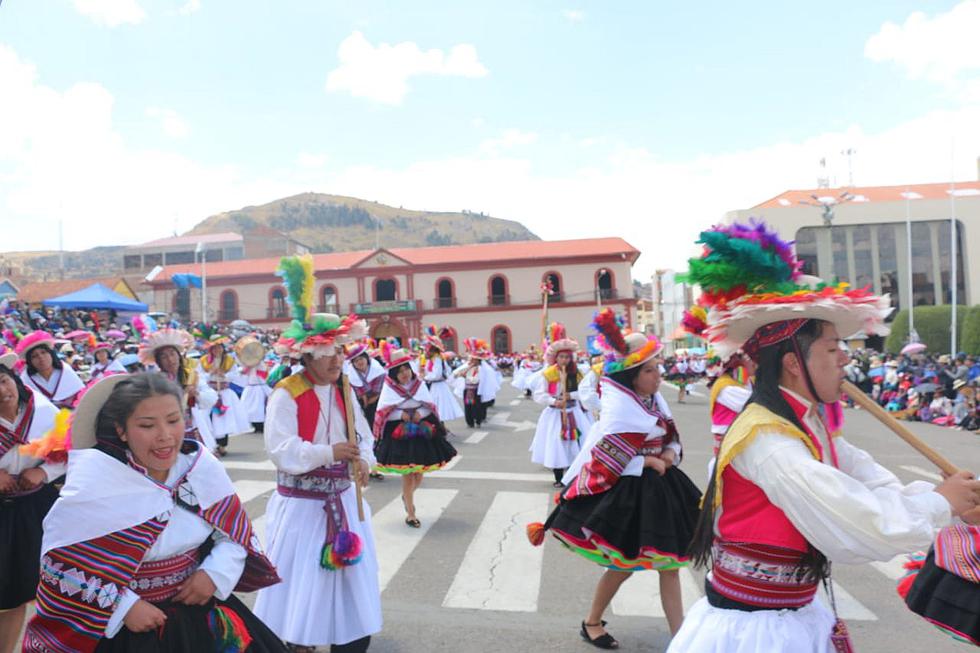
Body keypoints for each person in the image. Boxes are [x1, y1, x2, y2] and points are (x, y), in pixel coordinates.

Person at [667, 220, 980, 653]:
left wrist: (953, 502)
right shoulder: (766, 438)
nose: (845, 359)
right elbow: (850, 520)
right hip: (756, 633)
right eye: (832, 349)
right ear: (794, 363)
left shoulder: (804, 422)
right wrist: (940, 503)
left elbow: (870, 480)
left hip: (790, 613)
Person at [22, 373, 285, 652]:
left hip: (199, 610)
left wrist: (214, 574)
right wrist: (123, 607)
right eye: (147, 425)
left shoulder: (199, 468)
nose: (165, 435)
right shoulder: (95, 484)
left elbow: (235, 534)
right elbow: (60, 565)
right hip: (128, 628)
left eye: (174, 420)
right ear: (121, 430)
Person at [528, 310, 701, 648]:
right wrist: (647, 461)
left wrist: (668, 455)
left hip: (662, 489)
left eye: (656, 367)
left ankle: (680, 637)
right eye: (650, 370)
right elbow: (609, 459)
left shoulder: (653, 399)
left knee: (669, 566)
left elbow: (672, 436)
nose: (657, 375)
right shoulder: (620, 408)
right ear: (633, 375)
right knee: (623, 566)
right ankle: (591, 621)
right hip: (629, 494)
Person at [252, 256, 381, 653]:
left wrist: (363, 460)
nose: (337, 360)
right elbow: (281, 450)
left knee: (350, 583)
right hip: (303, 507)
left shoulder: (345, 389)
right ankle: (300, 642)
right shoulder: (287, 393)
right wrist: (330, 451)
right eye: (328, 353)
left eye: (339, 352)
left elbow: (363, 436)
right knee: (302, 585)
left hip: (344, 500)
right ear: (306, 355)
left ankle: (350, 638)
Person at [0, 351, 61, 653]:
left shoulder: (43, 412)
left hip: (35, 507)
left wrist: (44, 471)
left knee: (22, 587)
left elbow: (69, 453)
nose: (2, 391)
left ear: (14, 380)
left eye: (3, 381)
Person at [374, 344, 457, 528]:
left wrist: (421, 414)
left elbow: (429, 406)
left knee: (418, 475)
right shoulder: (389, 388)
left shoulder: (419, 385)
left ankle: (406, 496)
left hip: (421, 433)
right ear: (394, 373)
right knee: (408, 475)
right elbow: (383, 412)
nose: (404, 374)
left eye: (406, 369)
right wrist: (401, 415)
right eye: (400, 371)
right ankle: (411, 512)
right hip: (401, 436)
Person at [529, 323, 592, 487]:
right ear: (555, 358)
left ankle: (573, 475)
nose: (564, 360)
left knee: (576, 442)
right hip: (555, 415)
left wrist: (570, 395)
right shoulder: (548, 374)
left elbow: (585, 391)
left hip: (574, 412)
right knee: (557, 445)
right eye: (561, 357)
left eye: (567, 357)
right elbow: (539, 394)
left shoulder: (577, 373)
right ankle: (558, 478)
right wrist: (554, 401)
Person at [140, 328, 219, 452]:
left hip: (192, 428)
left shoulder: (191, 376)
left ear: (178, 355)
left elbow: (211, 397)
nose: (170, 360)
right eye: (164, 357)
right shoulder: (156, 381)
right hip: (168, 433)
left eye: (172, 354)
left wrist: (196, 394)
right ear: (159, 361)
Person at [198, 334, 251, 456]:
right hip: (210, 393)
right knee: (208, 418)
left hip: (224, 393)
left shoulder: (229, 360)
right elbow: (199, 376)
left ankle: (222, 445)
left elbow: (235, 375)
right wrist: (210, 373)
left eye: (219, 347)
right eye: (214, 348)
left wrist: (224, 376)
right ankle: (212, 444)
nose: (217, 350)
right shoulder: (204, 361)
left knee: (223, 419)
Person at [16, 332, 84, 410]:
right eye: (34, 356)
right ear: (30, 362)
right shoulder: (26, 381)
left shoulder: (66, 371)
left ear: (51, 354)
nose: (41, 357)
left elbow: (81, 397)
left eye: (43, 352)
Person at [420, 326, 464, 428]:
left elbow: (437, 374)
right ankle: (440, 428)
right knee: (435, 409)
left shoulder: (437, 359)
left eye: (427, 348)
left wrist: (425, 377)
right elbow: (446, 371)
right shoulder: (433, 359)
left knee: (438, 409)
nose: (426, 349)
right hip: (434, 386)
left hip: (437, 387)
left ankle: (441, 429)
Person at [453, 338, 498, 427]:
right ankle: (470, 422)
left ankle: (478, 420)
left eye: (474, 359)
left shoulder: (481, 369)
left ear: (478, 360)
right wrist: (463, 372)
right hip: (468, 390)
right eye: (471, 359)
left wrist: (465, 375)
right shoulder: (468, 366)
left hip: (475, 391)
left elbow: (476, 380)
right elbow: (456, 374)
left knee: (476, 407)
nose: (472, 361)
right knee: (468, 406)